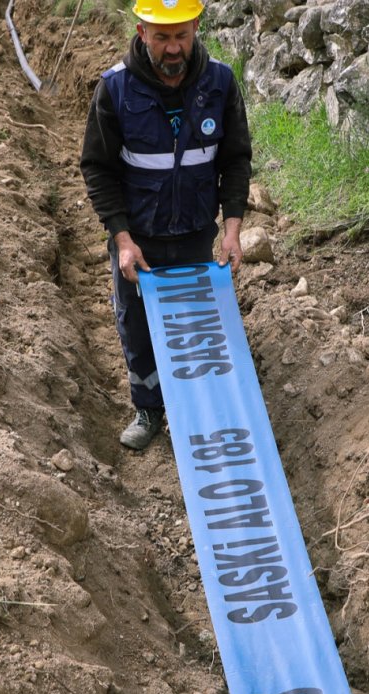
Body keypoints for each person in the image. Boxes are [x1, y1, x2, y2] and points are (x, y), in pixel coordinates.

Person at [80, 0, 252, 451]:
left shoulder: (220, 81)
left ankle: (199, 411)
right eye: (162, 37)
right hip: (139, 239)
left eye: (181, 35)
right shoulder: (114, 89)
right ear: (142, 32)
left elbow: (235, 159)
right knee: (137, 324)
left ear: (195, 27)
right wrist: (121, 239)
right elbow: (97, 169)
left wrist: (232, 227)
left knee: (197, 327)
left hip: (196, 232)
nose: (173, 48)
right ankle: (149, 408)